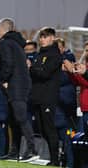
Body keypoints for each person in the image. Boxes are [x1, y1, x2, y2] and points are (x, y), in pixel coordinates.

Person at [0, 18, 39, 162]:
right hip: (22, 84)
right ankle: (14, 151)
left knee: (20, 118)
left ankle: (32, 150)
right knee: (13, 119)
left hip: (16, 85)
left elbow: (7, 64)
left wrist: (3, 79)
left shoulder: (5, 43)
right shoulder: (17, 43)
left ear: (1, 29)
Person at [30, 27, 61, 166]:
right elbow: (39, 72)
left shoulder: (55, 55)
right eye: (41, 37)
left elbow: (45, 73)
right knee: (43, 130)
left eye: (45, 36)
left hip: (48, 98)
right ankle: (53, 157)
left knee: (49, 129)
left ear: (52, 38)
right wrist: (35, 69)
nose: (42, 39)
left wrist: (32, 68)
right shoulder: (39, 54)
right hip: (37, 97)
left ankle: (55, 160)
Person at [55, 37, 77, 168]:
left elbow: (63, 79)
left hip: (67, 112)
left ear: (63, 48)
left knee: (69, 139)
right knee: (58, 140)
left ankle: (70, 164)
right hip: (56, 111)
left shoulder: (69, 60)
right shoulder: (55, 63)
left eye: (58, 48)